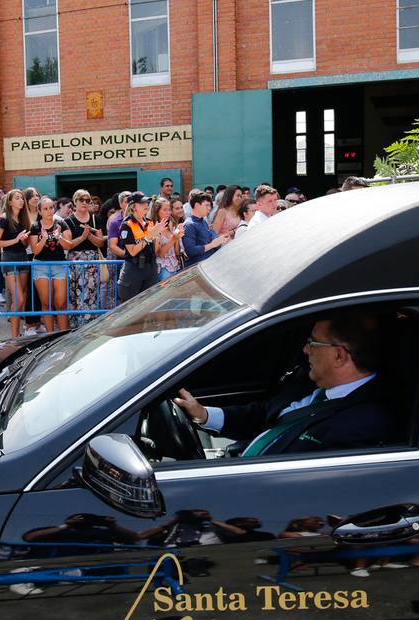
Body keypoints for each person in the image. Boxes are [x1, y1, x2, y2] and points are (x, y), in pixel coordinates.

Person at [173, 311, 398, 456]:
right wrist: (202, 414)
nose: (305, 349)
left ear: (339, 356)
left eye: (313, 343)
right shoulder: (310, 382)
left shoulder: (363, 427)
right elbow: (264, 415)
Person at [60, 188, 106, 326]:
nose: (84, 203)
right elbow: (68, 245)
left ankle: (89, 325)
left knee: (91, 295)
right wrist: (82, 237)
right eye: (81, 200)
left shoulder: (95, 219)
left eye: (87, 200)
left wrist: (90, 236)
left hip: (92, 261)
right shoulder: (68, 221)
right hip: (75, 262)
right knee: (74, 296)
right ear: (75, 201)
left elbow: (100, 242)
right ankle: (75, 326)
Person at [0, 189, 32, 339]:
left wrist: (23, 240)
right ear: (10, 202)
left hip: (23, 257)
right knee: (19, 299)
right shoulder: (3, 218)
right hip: (9, 258)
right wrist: (16, 240)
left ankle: (17, 334)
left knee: (21, 299)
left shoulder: (24, 219)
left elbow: (25, 243)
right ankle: (14, 337)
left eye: (22, 198)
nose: (21, 200)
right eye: (17, 198)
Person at [28, 196, 69, 332]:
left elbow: (69, 245)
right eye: (45, 209)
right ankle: (50, 336)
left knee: (61, 303)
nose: (49, 211)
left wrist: (59, 237)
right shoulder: (35, 226)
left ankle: (63, 335)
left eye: (51, 208)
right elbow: (35, 251)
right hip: (41, 265)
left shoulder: (61, 224)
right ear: (40, 211)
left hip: (59, 264)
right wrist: (44, 238)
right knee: (46, 303)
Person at [116, 192, 159, 301]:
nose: (146, 205)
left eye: (147, 202)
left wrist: (160, 236)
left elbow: (155, 250)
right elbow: (132, 251)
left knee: (149, 304)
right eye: (142, 203)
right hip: (134, 269)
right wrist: (148, 237)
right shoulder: (127, 225)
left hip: (150, 267)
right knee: (130, 305)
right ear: (134, 207)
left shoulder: (149, 223)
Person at [182, 189, 230, 266]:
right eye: (206, 205)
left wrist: (220, 239)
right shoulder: (189, 225)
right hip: (199, 267)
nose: (209, 208)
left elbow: (209, 236)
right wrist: (213, 244)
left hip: (210, 263)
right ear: (197, 205)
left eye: (210, 205)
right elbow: (190, 251)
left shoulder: (203, 221)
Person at [152, 196, 184, 281]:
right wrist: (173, 238)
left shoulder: (171, 225)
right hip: (163, 267)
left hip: (175, 265)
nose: (168, 212)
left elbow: (177, 252)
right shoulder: (155, 228)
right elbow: (160, 254)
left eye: (169, 209)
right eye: (165, 210)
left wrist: (177, 235)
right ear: (157, 211)